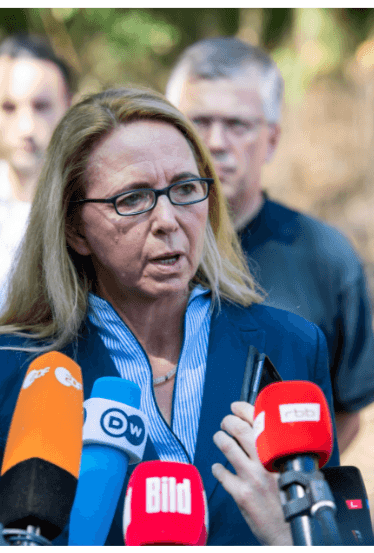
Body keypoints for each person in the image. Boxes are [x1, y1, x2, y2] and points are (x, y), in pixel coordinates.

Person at [0, 87, 339, 545]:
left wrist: (292, 539)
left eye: (184, 189)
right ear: (75, 229)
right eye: (133, 198)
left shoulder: (291, 347)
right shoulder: (15, 371)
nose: (167, 219)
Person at [166, 37, 374, 453]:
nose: (215, 143)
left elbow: (346, 412)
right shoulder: (137, 250)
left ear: (273, 139)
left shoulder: (326, 257)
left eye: (238, 125)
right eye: (198, 123)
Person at [0, 34, 73, 305]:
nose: (26, 128)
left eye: (41, 107)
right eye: (8, 107)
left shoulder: (93, 204)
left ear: (69, 107)